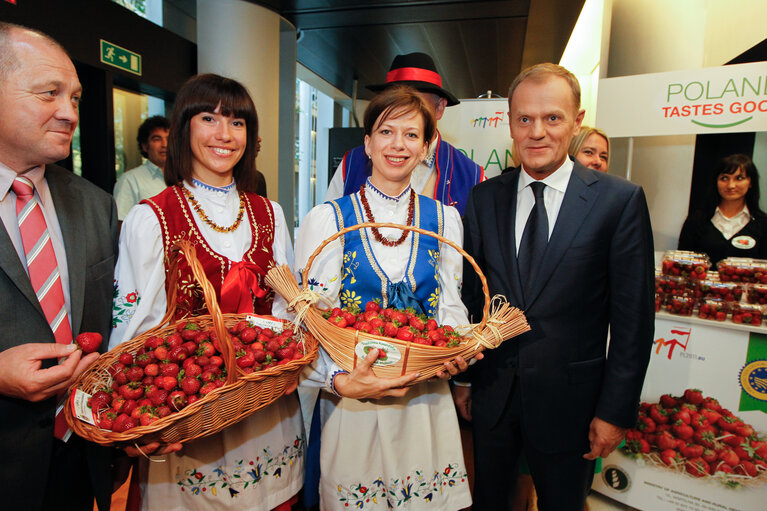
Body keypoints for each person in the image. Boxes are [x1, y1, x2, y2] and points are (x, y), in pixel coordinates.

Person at [455, 63, 654, 510]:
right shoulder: (484, 198)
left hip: (574, 407)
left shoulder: (618, 202)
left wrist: (614, 411)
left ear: (577, 121)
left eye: (552, 118)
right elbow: (472, 299)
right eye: (524, 119)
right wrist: (466, 379)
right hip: (493, 398)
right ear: (510, 123)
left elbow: (633, 323)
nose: (537, 132)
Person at [109, 73, 303, 511]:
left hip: (266, 407)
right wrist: (139, 419)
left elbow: (290, 310)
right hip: (187, 411)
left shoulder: (269, 213)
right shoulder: (152, 217)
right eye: (208, 118)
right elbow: (132, 331)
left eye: (237, 123)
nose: (224, 134)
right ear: (184, 128)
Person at [295, 85, 475, 510]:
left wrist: (458, 348)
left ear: (428, 146)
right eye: (386, 132)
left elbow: (451, 305)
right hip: (353, 402)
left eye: (412, 135)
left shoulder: (446, 219)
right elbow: (304, 320)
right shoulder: (328, 219)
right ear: (367, 144)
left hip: (424, 399)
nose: (398, 145)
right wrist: (338, 380)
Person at [0, 22, 117, 511]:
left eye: (75, 96)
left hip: (78, 456)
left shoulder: (94, 204)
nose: (69, 113)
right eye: (49, 93)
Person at [325, 52, 484, 215]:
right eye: (395, 100)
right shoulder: (350, 164)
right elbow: (329, 227)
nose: (405, 109)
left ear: (439, 108)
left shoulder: (472, 176)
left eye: (416, 101)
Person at [678, 154, 767, 265]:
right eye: (724, 178)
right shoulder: (696, 220)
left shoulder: (763, 223)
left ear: (751, 182)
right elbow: (682, 264)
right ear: (716, 182)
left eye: (739, 178)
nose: (731, 185)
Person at [113, 115, 170, 220]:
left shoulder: (186, 178)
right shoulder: (130, 180)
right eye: (157, 139)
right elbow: (120, 225)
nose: (165, 144)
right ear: (144, 146)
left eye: (169, 139)